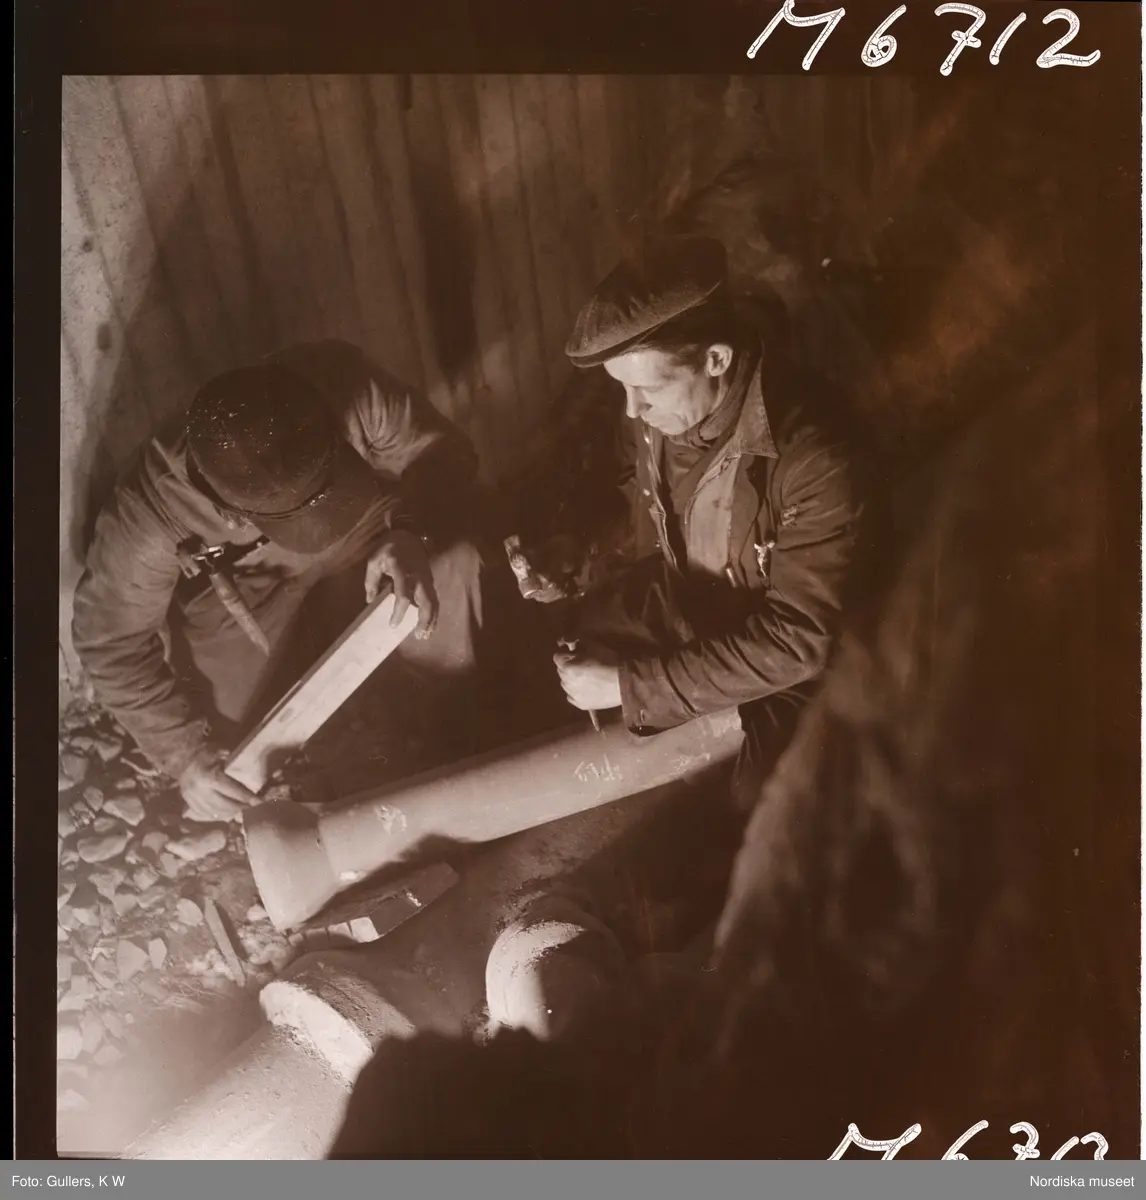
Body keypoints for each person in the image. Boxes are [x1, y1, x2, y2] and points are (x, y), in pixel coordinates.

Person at [482, 234, 869, 1038]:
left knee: (759, 813)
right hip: (698, 600)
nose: (631, 411)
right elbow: (649, 503)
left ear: (716, 359)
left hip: (806, 664)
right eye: (623, 392)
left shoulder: (816, 453)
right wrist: (575, 558)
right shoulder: (672, 408)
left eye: (644, 390)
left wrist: (632, 686)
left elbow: (800, 639)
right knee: (560, 647)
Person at [72, 339, 506, 824]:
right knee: (240, 747)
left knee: (450, 561)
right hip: (241, 590)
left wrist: (410, 531)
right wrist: (184, 755)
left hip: (362, 526)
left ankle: (449, 701)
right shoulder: (149, 514)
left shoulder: (343, 383)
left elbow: (443, 451)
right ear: (232, 513)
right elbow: (110, 643)